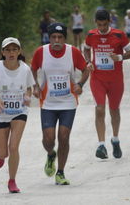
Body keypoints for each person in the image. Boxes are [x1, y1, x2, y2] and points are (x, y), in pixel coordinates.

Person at [31, 23, 89, 185]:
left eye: (60, 37)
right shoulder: (41, 52)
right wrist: (35, 86)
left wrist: (80, 85)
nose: (57, 40)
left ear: (65, 38)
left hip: (68, 103)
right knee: (48, 140)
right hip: (48, 103)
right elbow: (33, 69)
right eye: (53, 37)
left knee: (64, 137)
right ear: (49, 38)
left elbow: (85, 70)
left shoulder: (73, 52)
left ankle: (61, 172)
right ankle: (51, 154)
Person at [0, 37, 35, 193]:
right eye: (8, 50)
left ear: (19, 51)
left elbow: (29, 88)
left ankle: (12, 180)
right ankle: (0, 155)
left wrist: (27, 97)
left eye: (14, 49)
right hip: (0, 113)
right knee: (3, 152)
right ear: (3, 52)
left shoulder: (25, 69)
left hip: (19, 112)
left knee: (13, 147)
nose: (11, 53)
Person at [83, 9, 130, 159]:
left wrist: (119, 57)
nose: (102, 28)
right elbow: (86, 49)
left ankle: (115, 140)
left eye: (105, 25)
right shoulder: (92, 35)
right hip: (97, 79)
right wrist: (88, 62)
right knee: (99, 109)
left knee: (114, 110)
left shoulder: (119, 35)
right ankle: (101, 145)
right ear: (95, 23)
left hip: (116, 80)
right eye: (99, 25)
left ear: (109, 22)